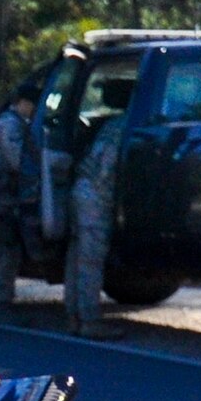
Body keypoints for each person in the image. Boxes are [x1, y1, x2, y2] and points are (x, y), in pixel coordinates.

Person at [64, 78, 134, 337]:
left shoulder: (107, 124)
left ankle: (74, 317)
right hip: (96, 196)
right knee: (90, 261)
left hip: (81, 191)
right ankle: (90, 321)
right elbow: (108, 168)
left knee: (77, 257)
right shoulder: (124, 125)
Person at [0, 78, 42, 321]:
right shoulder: (10, 125)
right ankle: (0, 304)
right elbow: (17, 160)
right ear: (24, 103)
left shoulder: (9, 122)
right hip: (5, 199)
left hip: (4, 197)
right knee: (7, 253)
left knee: (3, 252)